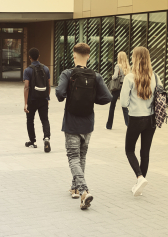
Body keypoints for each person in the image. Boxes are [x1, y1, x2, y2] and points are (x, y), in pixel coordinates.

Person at [55, 43, 112, 210]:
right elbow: (107, 97)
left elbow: (59, 93)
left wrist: (68, 97)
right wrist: (92, 99)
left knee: (73, 157)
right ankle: (75, 189)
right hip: (88, 123)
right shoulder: (96, 76)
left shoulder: (68, 73)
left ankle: (83, 190)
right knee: (82, 157)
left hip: (72, 122)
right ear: (88, 55)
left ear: (74, 55)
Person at [121, 46, 162, 196]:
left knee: (129, 150)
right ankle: (141, 183)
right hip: (151, 120)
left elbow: (124, 103)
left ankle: (139, 177)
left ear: (135, 58)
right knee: (145, 152)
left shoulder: (129, 77)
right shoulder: (155, 76)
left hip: (136, 118)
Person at [23, 47, 51, 153]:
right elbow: (48, 85)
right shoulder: (46, 69)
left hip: (32, 100)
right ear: (39, 56)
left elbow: (26, 87)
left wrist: (25, 103)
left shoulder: (28, 70)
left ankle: (32, 141)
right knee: (45, 119)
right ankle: (47, 138)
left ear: (29, 57)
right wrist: (47, 97)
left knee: (30, 120)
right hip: (43, 99)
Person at [106, 51, 130, 129]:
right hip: (124, 87)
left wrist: (112, 76)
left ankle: (109, 125)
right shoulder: (127, 66)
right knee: (124, 106)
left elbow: (115, 76)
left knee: (112, 106)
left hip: (116, 88)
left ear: (119, 58)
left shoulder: (117, 66)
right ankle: (128, 124)